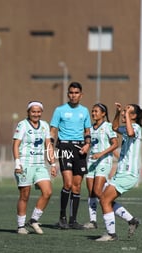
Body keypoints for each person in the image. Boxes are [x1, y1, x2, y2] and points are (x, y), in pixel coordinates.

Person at [96, 103, 142, 241]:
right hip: (121, 173)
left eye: (128, 111)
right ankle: (132, 220)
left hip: (128, 174)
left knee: (104, 200)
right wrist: (117, 113)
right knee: (106, 199)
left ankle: (111, 234)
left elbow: (130, 133)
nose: (124, 113)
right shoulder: (129, 126)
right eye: (124, 111)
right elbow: (115, 127)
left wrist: (127, 115)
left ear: (134, 116)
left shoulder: (136, 128)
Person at [50, 81, 92, 229]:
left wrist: (87, 144)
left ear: (81, 95)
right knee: (67, 183)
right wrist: (51, 148)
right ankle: (62, 217)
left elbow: (87, 131)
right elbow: (53, 131)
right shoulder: (60, 110)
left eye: (76, 93)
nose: (73, 95)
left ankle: (73, 220)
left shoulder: (85, 111)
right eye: (71, 93)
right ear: (68, 94)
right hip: (65, 146)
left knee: (77, 186)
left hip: (79, 147)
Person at [13, 101, 57, 235]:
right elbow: (15, 145)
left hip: (40, 165)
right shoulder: (22, 125)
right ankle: (21, 226)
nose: (36, 114)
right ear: (28, 112)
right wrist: (17, 163)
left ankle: (33, 220)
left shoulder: (44, 125)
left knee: (48, 191)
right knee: (25, 195)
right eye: (33, 112)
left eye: (38, 112)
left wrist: (53, 164)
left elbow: (48, 145)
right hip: (25, 164)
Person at [83, 103, 118, 229]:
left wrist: (100, 154)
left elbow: (115, 144)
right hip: (91, 162)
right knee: (91, 192)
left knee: (98, 191)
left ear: (103, 113)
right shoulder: (90, 129)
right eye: (92, 111)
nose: (93, 114)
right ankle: (93, 221)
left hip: (104, 161)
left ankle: (123, 214)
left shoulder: (108, 126)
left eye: (96, 111)